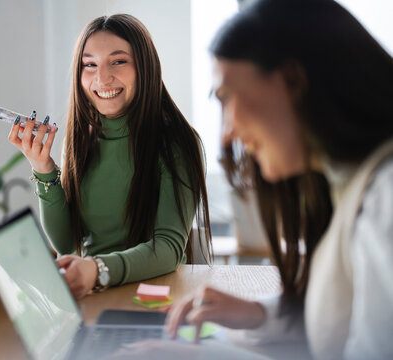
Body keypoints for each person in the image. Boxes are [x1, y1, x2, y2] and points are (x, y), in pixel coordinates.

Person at [162, 0, 393, 359]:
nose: (226, 134)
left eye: (226, 97)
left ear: (293, 81)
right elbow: (345, 322)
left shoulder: (386, 199)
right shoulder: (348, 184)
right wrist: (257, 314)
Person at [8, 14, 211, 299]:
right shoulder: (80, 140)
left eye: (118, 61)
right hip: (94, 292)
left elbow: (168, 248)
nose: (102, 78)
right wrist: (43, 169)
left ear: (145, 67)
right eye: (89, 65)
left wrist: (97, 268)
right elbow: (66, 243)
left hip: (155, 298)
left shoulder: (175, 142)